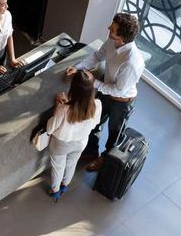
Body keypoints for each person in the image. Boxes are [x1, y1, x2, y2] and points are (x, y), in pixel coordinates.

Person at [65, 13, 145, 172]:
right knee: (93, 121)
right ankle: (90, 152)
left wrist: (93, 82)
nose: (109, 28)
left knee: (114, 135)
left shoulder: (132, 62)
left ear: (121, 37)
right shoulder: (111, 40)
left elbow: (118, 90)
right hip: (105, 90)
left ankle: (105, 158)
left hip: (121, 102)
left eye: (113, 28)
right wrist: (80, 66)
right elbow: (97, 56)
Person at [46, 70, 102, 201]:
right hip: (81, 142)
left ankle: (55, 190)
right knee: (71, 164)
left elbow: (50, 128)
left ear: (73, 88)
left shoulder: (64, 109)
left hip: (60, 144)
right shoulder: (97, 105)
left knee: (58, 167)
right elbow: (94, 124)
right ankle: (64, 185)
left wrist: (58, 106)